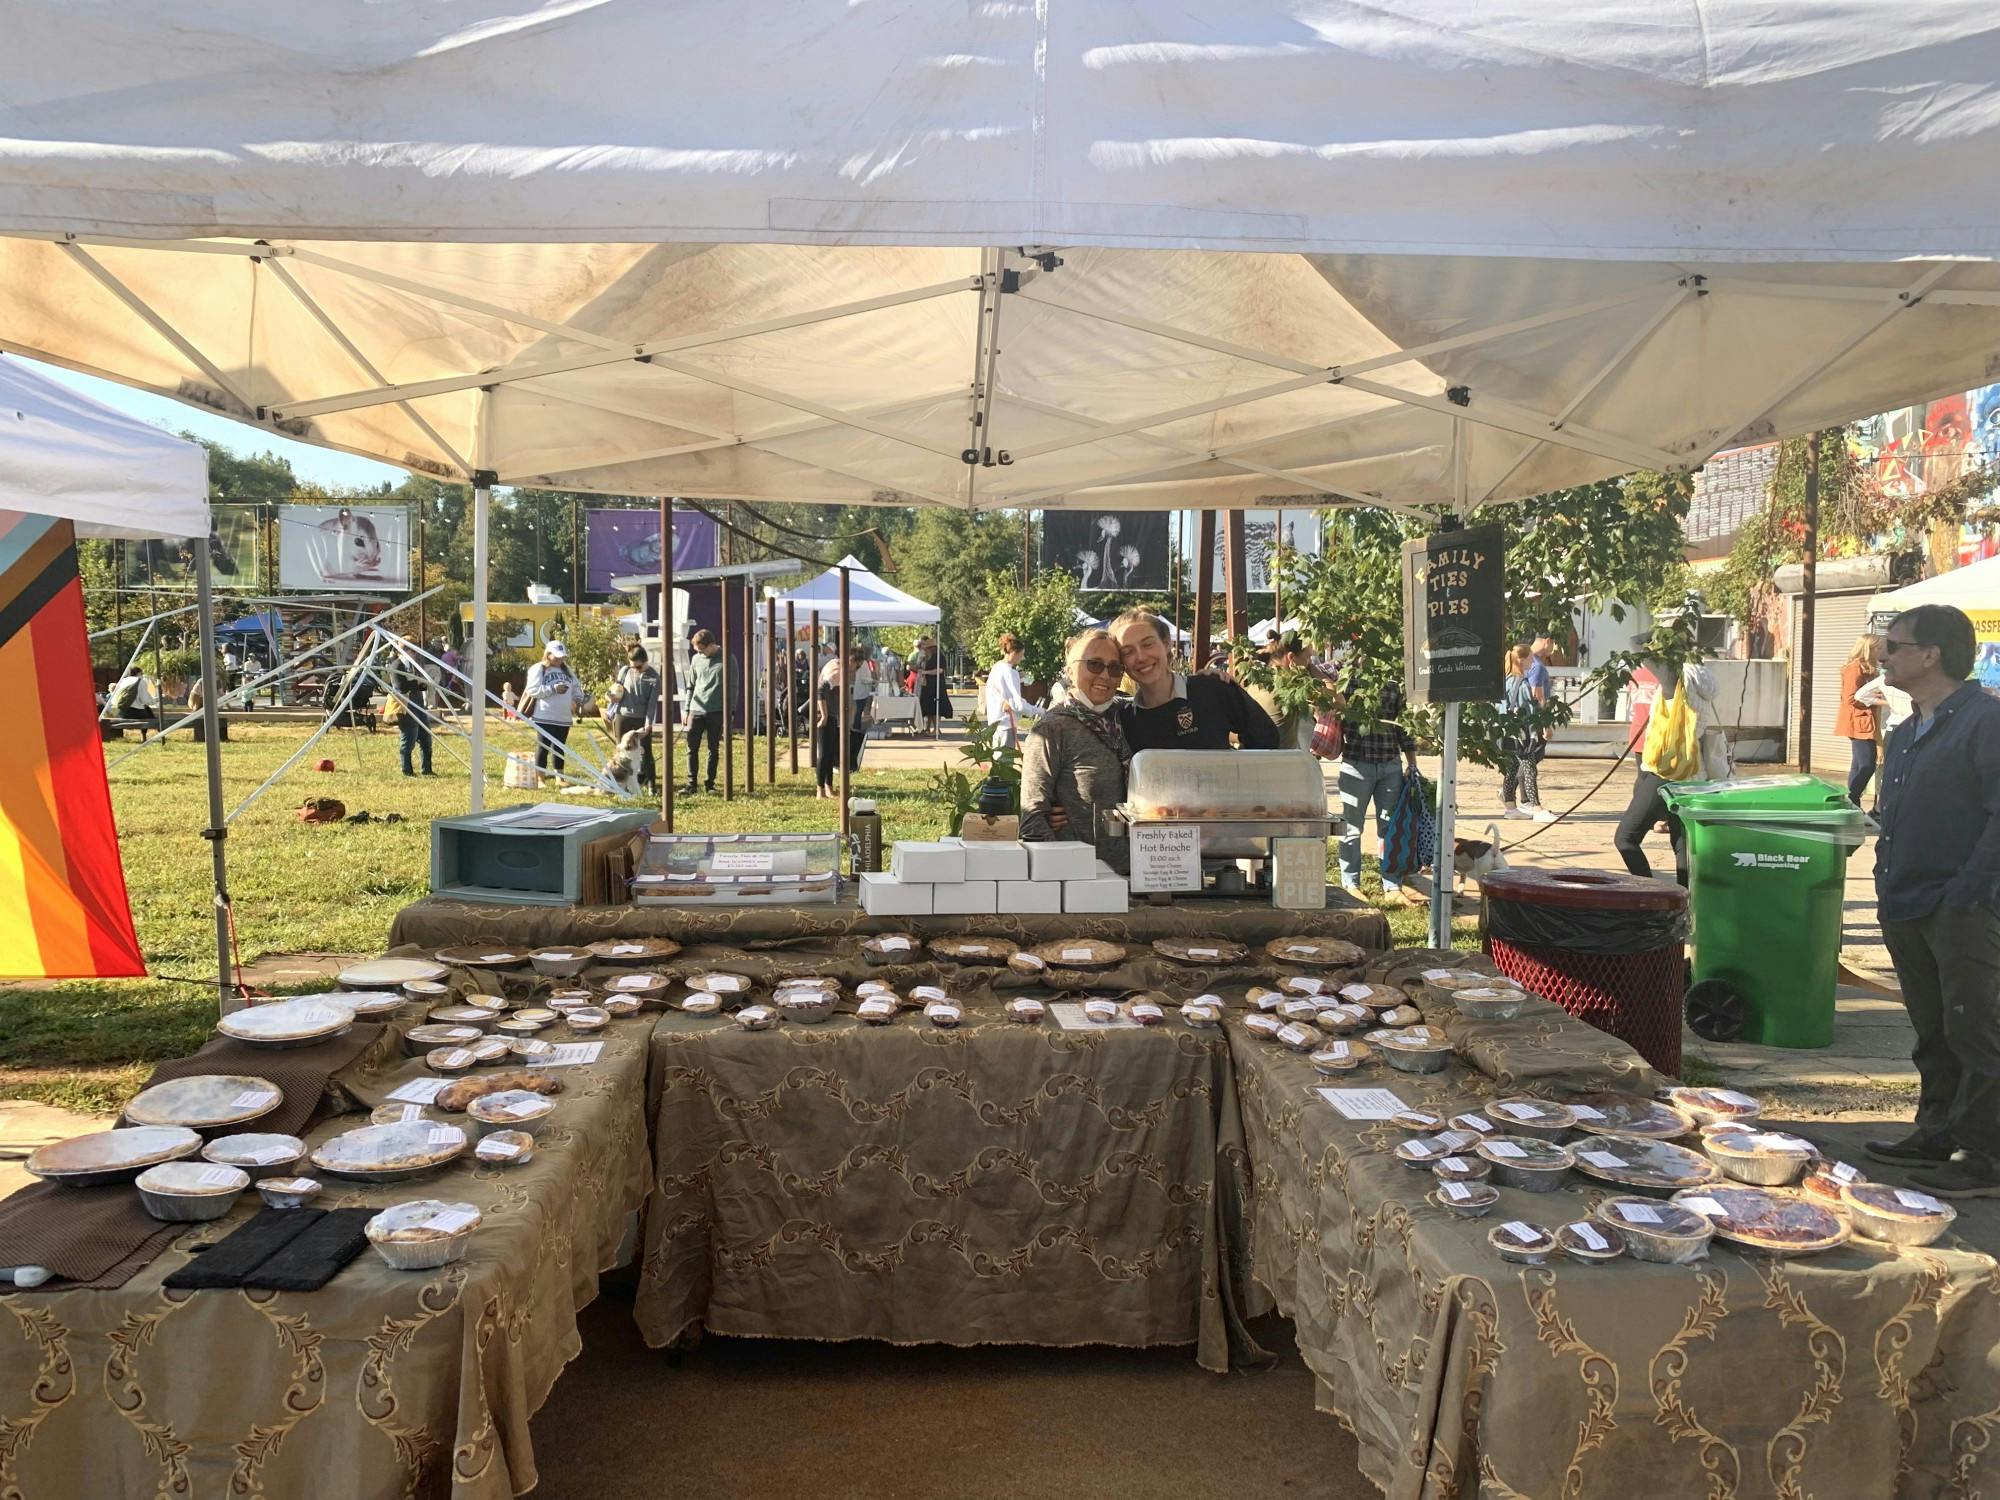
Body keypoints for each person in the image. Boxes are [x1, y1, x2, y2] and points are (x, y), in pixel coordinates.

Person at [1863, 604, 2000, 1196]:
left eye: (1893, 646)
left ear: (1930, 654)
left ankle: (1987, 1155)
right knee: (1933, 1027)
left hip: (1959, 907)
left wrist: (1966, 893)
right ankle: (1937, 1128)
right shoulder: (1905, 728)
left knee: (1975, 1028)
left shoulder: (1981, 722)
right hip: (1906, 899)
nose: (1882, 656)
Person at [1020, 629, 1132, 872]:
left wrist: (1211, 679)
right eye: (1094, 664)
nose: (1105, 675)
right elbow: (1032, 822)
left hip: (1138, 878)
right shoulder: (1052, 729)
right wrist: (1072, 875)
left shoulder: (1128, 719)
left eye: (1114, 668)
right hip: (1084, 884)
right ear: (1070, 670)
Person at [1109, 608, 1277, 753]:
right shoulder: (1123, 717)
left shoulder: (1213, 689)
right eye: (1128, 651)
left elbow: (1266, 738)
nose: (1141, 657)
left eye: (1148, 644)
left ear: (1167, 643)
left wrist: (1235, 774)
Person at [1336, 667, 1421, 905]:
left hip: (1389, 765)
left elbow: (1403, 725)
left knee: (1389, 827)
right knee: (1352, 827)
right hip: (1356, 764)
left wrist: (1412, 763)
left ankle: (1392, 885)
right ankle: (1350, 883)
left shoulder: (1393, 681)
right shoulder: (1346, 680)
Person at [1499, 643, 1553, 821]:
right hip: (1521, 734)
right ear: (1522, 661)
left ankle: (1510, 807)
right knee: (1529, 769)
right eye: (1531, 658)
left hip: (1507, 733)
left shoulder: (1505, 681)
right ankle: (1536, 807)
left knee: (1513, 768)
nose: (1533, 662)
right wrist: (1542, 726)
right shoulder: (1521, 684)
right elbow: (1529, 711)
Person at [1836, 634, 1884, 808]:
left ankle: (1852, 802)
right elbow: (1850, 698)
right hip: (1858, 722)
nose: (1881, 652)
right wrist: (1875, 699)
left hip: (1866, 721)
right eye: (1878, 648)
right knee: (1867, 765)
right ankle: (1852, 799)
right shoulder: (1854, 669)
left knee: (1858, 765)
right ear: (1867, 649)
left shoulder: (1871, 669)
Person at [522, 639, 580, 777]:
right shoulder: (538, 668)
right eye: (557, 656)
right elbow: (532, 690)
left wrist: (577, 700)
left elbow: (576, 687)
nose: (560, 659)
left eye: (562, 656)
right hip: (544, 716)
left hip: (563, 716)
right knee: (543, 747)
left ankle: (559, 776)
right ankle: (540, 777)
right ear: (548, 654)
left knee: (560, 747)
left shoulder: (567, 670)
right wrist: (553, 688)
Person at [610, 644, 662, 791]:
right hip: (623, 716)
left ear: (646, 661)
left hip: (641, 718)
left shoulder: (654, 677)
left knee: (645, 752)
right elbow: (617, 689)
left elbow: (652, 705)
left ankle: (651, 784)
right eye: (632, 666)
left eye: (638, 667)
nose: (635, 670)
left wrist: (647, 725)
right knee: (621, 751)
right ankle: (621, 783)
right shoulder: (625, 671)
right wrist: (612, 697)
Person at [683, 629, 722, 793]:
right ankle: (691, 783)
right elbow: (690, 685)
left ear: (711, 645)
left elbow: (733, 688)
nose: (700, 653)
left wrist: (730, 711)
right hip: (695, 709)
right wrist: (686, 709)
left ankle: (709, 783)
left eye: (702, 650)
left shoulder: (726, 659)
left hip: (716, 710)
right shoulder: (696, 659)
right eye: (697, 651)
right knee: (691, 747)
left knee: (713, 748)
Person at [388, 650, 435, 776]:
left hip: (419, 706)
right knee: (409, 740)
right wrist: (417, 682)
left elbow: (422, 687)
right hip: (406, 707)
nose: (415, 654)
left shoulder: (415, 665)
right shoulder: (397, 665)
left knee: (426, 739)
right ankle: (407, 771)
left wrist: (424, 683)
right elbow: (400, 687)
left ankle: (427, 770)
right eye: (413, 651)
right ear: (404, 651)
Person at [983, 633, 1031, 750]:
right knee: (1005, 761)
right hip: (1006, 722)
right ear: (1014, 653)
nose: (1022, 658)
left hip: (995, 720)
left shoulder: (997, 667)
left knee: (998, 758)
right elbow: (1017, 703)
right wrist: (1038, 711)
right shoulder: (1010, 672)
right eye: (1021, 655)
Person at [811, 651, 850, 798]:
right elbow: (820, 690)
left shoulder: (837, 666)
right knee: (823, 753)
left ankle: (828, 787)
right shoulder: (837, 670)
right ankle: (820, 790)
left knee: (829, 753)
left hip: (831, 715)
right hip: (824, 716)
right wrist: (824, 715)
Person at [913, 637, 951, 735]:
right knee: (928, 707)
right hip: (927, 684)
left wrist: (926, 672)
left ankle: (936, 728)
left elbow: (940, 670)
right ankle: (928, 728)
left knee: (936, 707)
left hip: (936, 684)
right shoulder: (926, 656)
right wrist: (920, 660)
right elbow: (919, 666)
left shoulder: (939, 656)